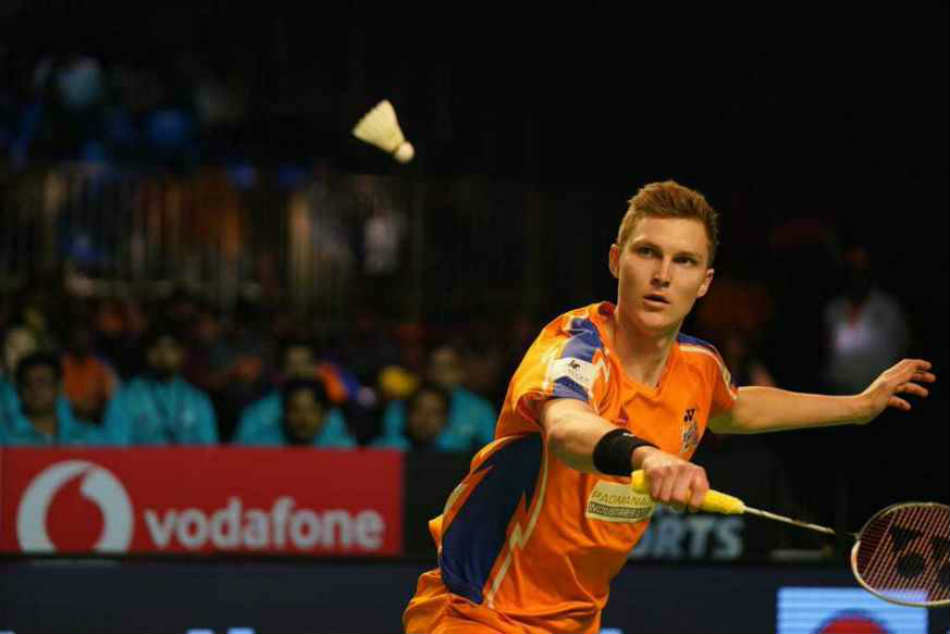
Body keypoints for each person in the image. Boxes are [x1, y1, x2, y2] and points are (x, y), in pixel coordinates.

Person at [402, 181, 935, 634]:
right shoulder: (575, 346)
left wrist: (857, 406)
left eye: (684, 261)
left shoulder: (698, 367)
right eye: (647, 253)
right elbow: (565, 427)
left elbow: (734, 408)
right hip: (479, 611)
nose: (662, 275)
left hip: (576, 619)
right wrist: (648, 457)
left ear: (704, 282)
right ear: (616, 260)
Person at [102, 324, 217, 445]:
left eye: (171, 347)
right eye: (156, 347)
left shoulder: (197, 400)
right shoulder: (127, 398)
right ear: (147, 353)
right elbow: (117, 446)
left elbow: (208, 449)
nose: (163, 354)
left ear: (182, 353)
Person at [232, 339, 356, 447]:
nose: (298, 371)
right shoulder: (257, 415)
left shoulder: (333, 416)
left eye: (305, 364)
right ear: (281, 370)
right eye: (291, 365)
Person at [378, 344, 496, 453]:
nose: (440, 373)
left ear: (461, 372)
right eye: (435, 366)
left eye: (448, 367)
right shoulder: (402, 403)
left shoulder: (480, 409)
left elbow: (491, 452)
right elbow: (392, 443)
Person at [1, 352, 109, 446]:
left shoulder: (87, 436)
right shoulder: (6, 438)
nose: (35, 389)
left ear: (59, 387)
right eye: (27, 383)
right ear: (18, 389)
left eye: (42, 382)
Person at [234, 378, 354, 448]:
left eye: (312, 410)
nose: (303, 419)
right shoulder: (259, 448)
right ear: (284, 413)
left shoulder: (341, 450)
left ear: (325, 415)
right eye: (295, 410)